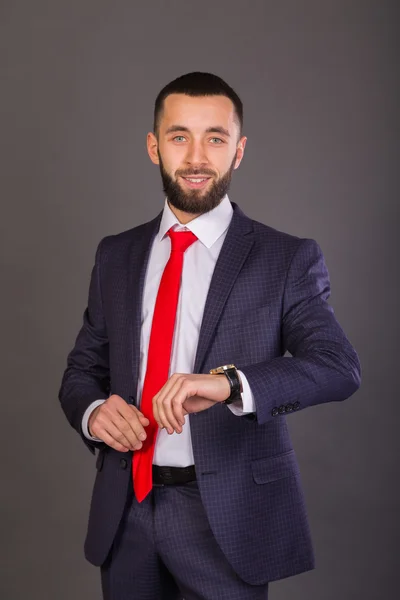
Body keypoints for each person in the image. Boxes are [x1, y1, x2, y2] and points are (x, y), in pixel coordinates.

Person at [58, 71, 361, 600]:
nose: (197, 157)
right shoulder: (117, 255)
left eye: (215, 138)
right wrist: (92, 412)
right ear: (154, 147)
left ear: (238, 150)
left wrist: (230, 384)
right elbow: (82, 371)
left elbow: (338, 366)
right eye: (179, 136)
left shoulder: (286, 258)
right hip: (125, 511)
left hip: (225, 517)